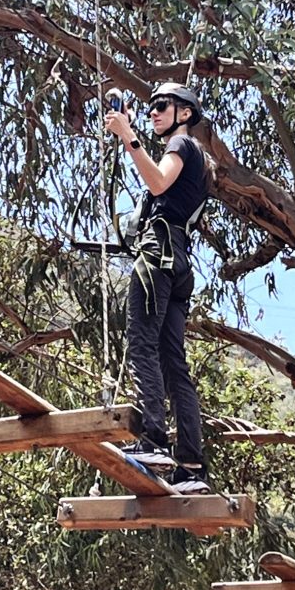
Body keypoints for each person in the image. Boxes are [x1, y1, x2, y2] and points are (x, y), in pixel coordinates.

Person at [104, 82, 211, 494]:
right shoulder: (199, 160)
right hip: (180, 260)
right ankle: (191, 466)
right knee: (172, 361)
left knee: (141, 342)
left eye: (161, 106)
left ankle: (154, 438)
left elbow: (158, 184)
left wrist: (128, 137)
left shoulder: (182, 147)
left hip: (160, 255)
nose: (154, 113)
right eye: (150, 108)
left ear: (184, 113)